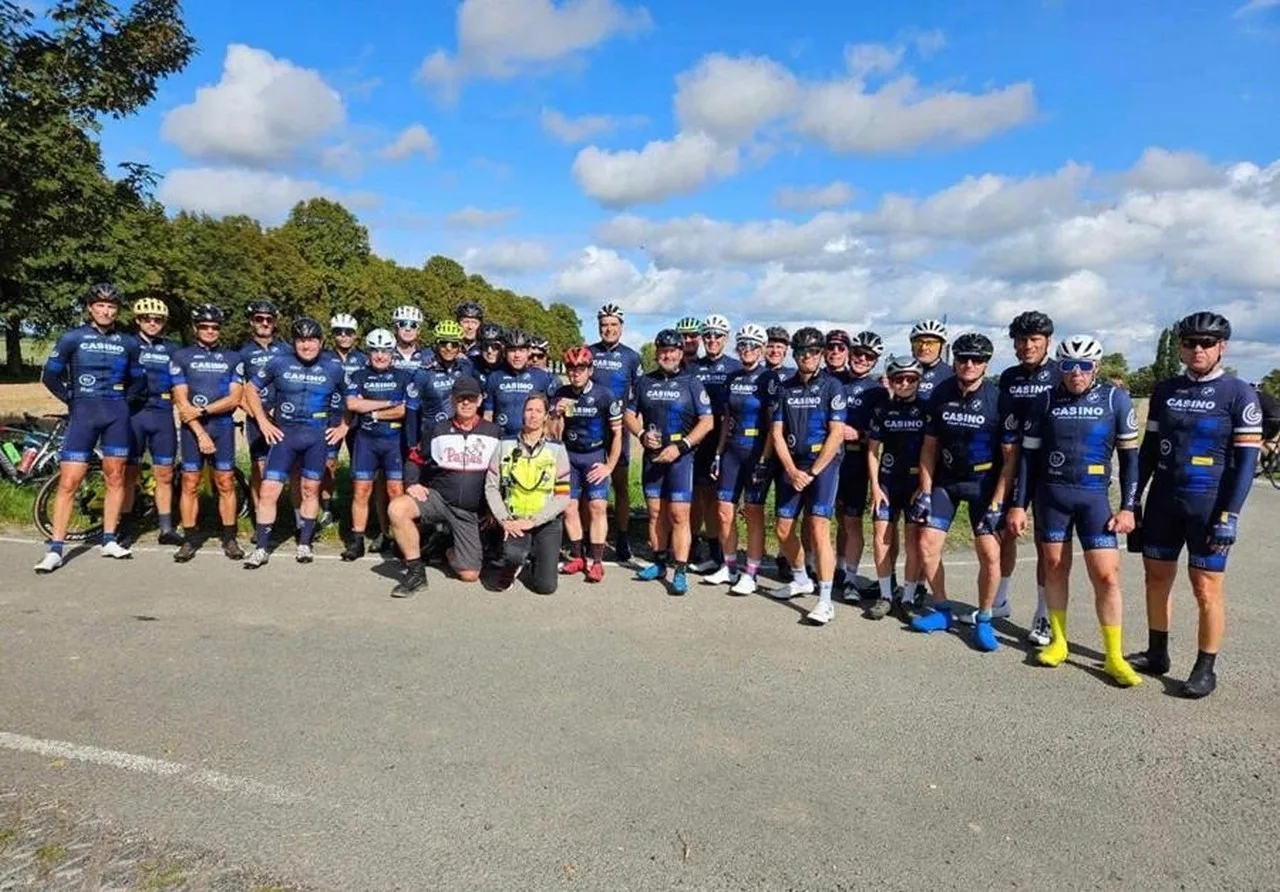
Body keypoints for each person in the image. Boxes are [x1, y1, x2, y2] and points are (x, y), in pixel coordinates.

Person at [1127, 312, 1262, 698]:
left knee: (1205, 588)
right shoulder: (1165, 389)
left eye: (1207, 343)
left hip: (1209, 505)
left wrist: (1230, 515)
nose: (1198, 349)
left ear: (1223, 347)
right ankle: (1157, 653)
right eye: (1190, 343)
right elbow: (1148, 451)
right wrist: (1133, 501)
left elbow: (1246, 465)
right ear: (1181, 348)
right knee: (1155, 578)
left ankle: (1206, 667)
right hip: (1164, 501)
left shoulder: (1239, 394)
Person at [1005, 335, 1142, 688]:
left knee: (1107, 576)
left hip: (1094, 497)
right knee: (1054, 567)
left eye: (1083, 366)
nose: (1076, 373)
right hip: (1052, 496)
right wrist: (1019, 505)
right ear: (1060, 366)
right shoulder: (1045, 399)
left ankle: (1113, 656)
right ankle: (1059, 641)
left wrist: (1128, 507)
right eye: (1068, 365)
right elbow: (1027, 460)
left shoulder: (1117, 399)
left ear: (1095, 367)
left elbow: (1130, 460)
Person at [907, 333, 1019, 651]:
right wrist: (926, 491)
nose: (969, 364)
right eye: (963, 358)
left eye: (977, 359)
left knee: (989, 552)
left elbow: (1010, 459)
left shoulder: (999, 399)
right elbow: (929, 447)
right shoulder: (941, 393)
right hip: (946, 481)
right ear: (954, 359)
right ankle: (942, 611)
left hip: (984, 485)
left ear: (987, 363)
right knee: (927, 545)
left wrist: (998, 502)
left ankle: (984, 618)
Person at [35, 283, 145, 572]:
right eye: (100, 305)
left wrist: (124, 404)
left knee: (116, 477)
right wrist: (72, 400)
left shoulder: (129, 342)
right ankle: (56, 548)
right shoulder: (73, 338)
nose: (106, 311)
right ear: (90, 308)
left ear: (117, 311)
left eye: (111, 307)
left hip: (116, 415)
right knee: (69, 480)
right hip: (84, 413)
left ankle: (109, 539)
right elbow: (51, 376)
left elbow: (139, 380)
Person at [975, 310, 1061, 643]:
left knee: (1044, 544)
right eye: (1021, 340)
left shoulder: (1058, 374)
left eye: (1034, 340)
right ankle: (1000, 600)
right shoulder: (1008, 377)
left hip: (1046, 468)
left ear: (1047, 342)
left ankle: (1042, 615)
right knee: (1005, 534)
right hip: (1010, 465)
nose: (1027, 345)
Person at [242, 317, 349, 567]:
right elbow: (250, 389)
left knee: (310, 490)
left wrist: (344, 426)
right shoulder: (279, 362)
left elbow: (352, 398)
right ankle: (261, 547)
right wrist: (263, 421)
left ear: (321, 342)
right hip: (285, 436)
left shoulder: (333, 367)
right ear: (294, 342)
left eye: (312, 340)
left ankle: (304, 543)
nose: (307, 346)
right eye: (301, 340)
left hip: (316, 437)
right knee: (269, 491)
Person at [387, 376, 502, 596]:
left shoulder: (494, 432)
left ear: (479, 401)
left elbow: (501, 473)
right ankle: (416, 574)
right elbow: (414, 459)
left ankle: (446, 546)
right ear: (452, 400)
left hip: (469, 511)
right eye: (460, 399)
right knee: (397, 508)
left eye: (470, 398)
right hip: (439, 499)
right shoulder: (438, 429)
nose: (465, 403)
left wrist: (492, 509)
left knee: (470, 575)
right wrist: (412, 483)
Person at [768, 326, 847, 624]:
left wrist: (812, 472)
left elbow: (837, 434)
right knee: (782, 529)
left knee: (818, 529)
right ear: (794, 354)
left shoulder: (832, 386)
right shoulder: (785, 387)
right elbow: (777, 433)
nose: (808, 357)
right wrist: (791, 470)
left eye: (813, 352)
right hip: (793, 464)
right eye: (802, 352)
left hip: (822, 467)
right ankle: (801, 579)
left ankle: (825, 601)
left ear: (821, 354)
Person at [626, 329, 715, 595]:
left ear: (680, 353)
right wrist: (641, 434)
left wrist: (682, 446)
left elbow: (708, 422)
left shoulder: (691, 382)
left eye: (673, 351)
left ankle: (680, 569)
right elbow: (629, 415)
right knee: (654, 513)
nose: (668, 355)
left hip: (680, 457)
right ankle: (659, 561)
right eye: (663, 351)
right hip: (653, 455)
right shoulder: (644, 382)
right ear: (657, 353)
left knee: (678, 515)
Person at [169, 305, 245, 561]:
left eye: (214, 327)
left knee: (225, 482)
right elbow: (181, 402)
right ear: (195, 328)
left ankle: (230, 538)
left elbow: (235, 398)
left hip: (222, 427)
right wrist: (200, 432)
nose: (210, 331)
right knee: (190, 483)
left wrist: (202, 411)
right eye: (204, 326)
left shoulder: (233, 358)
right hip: (193, 431)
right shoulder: (181, 357)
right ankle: (190, 539)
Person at [708, 323, 778, 595]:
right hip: (732, 450)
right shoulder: (732, 378)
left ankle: (751, 572)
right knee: (724, 512)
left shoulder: (768, 379)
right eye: (742, 345)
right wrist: (718, 452)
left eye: (752, 346)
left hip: (757, 450)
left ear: (761, 350)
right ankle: (729, 566)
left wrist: (764, 459)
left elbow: (775, 425)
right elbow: (727, 419)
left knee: (752, 513)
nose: (747, 350)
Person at [485, 393, 572, 594]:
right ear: (523, 414)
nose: (533, 415)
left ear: (545, 417)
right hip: (514, 520)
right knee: (513, 556)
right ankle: (514, 559)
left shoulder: (557, 449)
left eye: (538, 411)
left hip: (545, 522)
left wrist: (534, 521)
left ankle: (535, 555)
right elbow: (491, 487)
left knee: (545, 587)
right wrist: (504, 519)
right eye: (529, 410)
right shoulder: (504, 445)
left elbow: (563, 495)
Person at [864, 355, 929, 620]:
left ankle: (910, 596)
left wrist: (925, 486)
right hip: (888, 484)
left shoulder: (927, 409)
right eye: (898, 379)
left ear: (918, 381)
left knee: (913, 542)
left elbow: (931, 450)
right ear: (890, 381)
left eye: (910, 379)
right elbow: (872, 452)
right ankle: (885, 595)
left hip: (915, 485)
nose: (904, 383)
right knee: (882, 538)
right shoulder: (882, 410)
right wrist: (875, 487)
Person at [341, 329, 413, 561]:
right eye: (375, 350)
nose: (380, 355)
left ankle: (396, 538)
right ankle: (357, 541)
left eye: (385, 351)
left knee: (395, 492)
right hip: (366, 442)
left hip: (394, 442)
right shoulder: (359, 375)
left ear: (393, 353)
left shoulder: (403, 377)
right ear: (368, 352)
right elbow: (352, 404)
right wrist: (388, 403)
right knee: (361, 491)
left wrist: (371, 410)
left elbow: (404, 410)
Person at [552, 346, 622, 582]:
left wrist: (609, 466)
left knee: (597, 507)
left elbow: (617, 434)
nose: (575, 373)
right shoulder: (561, 393)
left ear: (590, 370)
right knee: (569, 507)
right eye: (571, 369)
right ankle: (578, 556)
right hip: (569, 458)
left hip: (594, 457)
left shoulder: (605, 395)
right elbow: (553, 435)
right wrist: (555, 415)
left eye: (580, 369)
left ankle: (597, 561)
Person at [588, 303, 644, 562]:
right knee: (589, 484)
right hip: (590, 427)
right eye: (604, 325)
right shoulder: (589, 352)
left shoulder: (632, 357)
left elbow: (638, 395)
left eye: (613, 325)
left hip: (619, 429)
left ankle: (622, 536)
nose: (608, 329)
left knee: (620, 486)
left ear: (621, 327)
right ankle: (590, 539)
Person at [123, 297, 180, 546]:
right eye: (147, 319)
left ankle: (166, 528)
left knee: (164, 474)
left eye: (157, 320)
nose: (152, 323)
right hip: (134, 413)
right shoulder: (127, 344)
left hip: (162, 413)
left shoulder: (172, 348)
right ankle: (124, 528)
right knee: (129, 473)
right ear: (138, 320)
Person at [834, 330, 885, 600]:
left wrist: (860, 434)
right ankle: (837, 569)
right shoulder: (834, 381)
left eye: (869, 357)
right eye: (858, 354)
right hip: (830, 459)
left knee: (852, 521)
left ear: (875, 361)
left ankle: (852, 579)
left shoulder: (877, 391)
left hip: (856, 459)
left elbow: (882, 433)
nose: (862, 359)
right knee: (830, 517)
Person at [690, 313, 742, 573]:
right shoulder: (694, 367)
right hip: (701, 439)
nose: (712, 339)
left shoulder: (735, 367)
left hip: (728, 440)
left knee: (725, 501)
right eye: (707, 335)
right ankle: (711, 550)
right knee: (704, 498)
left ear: (726, 339)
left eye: (717, 336)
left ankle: (727, 553)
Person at [238, 300, 290, 513]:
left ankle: (283, 516)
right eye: (260, 319)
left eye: (269, 319)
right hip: (257, 418)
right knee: (260, 468)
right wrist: (258, 415)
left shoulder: (286, 349)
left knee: (289, 467)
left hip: (285, 416)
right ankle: (260, 516)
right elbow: (239, 392)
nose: (265, 323)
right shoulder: (243, 353)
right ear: (252, 321)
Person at [318, 313, 367, 527]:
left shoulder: (364, 359)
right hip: (332, 416)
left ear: (356, 335)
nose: (344, 336)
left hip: (357, 418)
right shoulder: (324, 358)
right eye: (339, 332)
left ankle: (358, 509)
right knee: (328, 464)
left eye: (348, 332)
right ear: (333, 334)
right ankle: (327, 510)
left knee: (360, 466)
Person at [406, 320, 478, 442]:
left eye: (454, 344)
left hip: (461, 435)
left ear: (460, 346)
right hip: (431, 436)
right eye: (444, 343)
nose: (449, 348)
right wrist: (412, 443)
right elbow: (412, 410)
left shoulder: (467, 367)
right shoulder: (423, 372)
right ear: (436, 345)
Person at [482, 328, 555, 438]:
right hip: (501, 440)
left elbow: (551, 414)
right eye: (512, 350)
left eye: (521, 350)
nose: (517, 355)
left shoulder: (542, 377)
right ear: (505, 352)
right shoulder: (494, 377)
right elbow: (488, 415)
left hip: (532, 440)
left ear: (529, 351)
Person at [909, 318, 954, 405]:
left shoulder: (952, 375)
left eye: (931, 343)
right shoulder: (899, 375)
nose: (923, 348)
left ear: (942, 347)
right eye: (918, 343)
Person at [390, 305, 432, 372]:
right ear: (396, 328)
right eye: (402, 324)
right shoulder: (387, 355)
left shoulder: (428, 356)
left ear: (418, 331)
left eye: (413, 325)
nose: (408, 329)